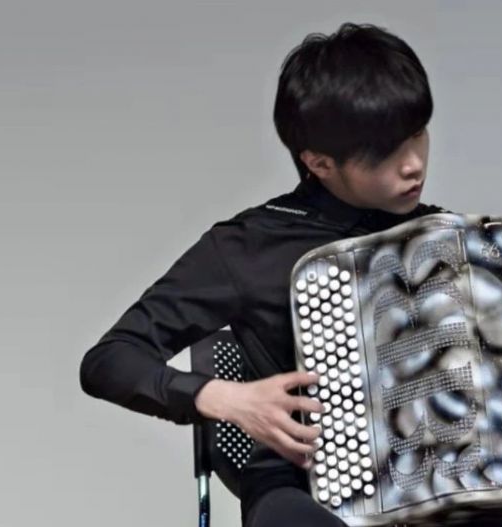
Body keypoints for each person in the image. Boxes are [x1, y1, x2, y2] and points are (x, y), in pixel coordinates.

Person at [79, 22, 444, 527]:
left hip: (447, 480)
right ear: (320, 163)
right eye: (384, 153)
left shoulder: (456, 243)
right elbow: (109, 360)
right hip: (305, 487)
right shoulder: (250, 247)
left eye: (418, 134)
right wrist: (226, 398)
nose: (413, 165)